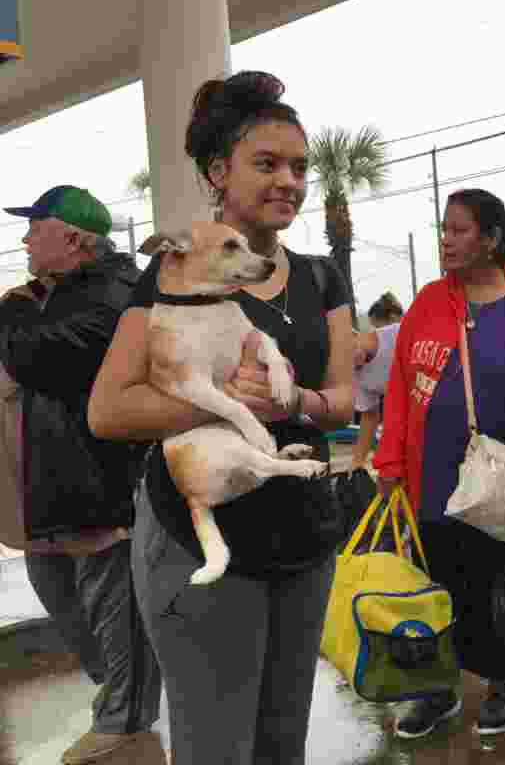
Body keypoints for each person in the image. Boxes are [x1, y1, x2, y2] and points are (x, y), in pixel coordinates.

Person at [87, 71, 354, 765]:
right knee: (217, 750)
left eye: (299, 167)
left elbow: (342, 401)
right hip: (195, 537)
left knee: (281, 746)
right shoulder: (173, 275)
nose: (289, 181)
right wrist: (225, 403)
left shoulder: (323, 278)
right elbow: (109, 408)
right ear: (218, 173)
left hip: (303, 539)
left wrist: (290, 402)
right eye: (266, 164)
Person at [373, 188, 505, 739]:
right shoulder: (427, 303)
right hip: (434, 472)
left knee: (493, 584)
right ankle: (437, 690)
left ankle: (497, 684)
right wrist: (390, 460)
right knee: (435, 583)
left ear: (491, 239)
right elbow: (399, 387)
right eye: (444, 228)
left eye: (460, 230)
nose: (446, 239)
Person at [1, 185, 161, 765]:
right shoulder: (65, 292)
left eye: (33, 225)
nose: (23, 237)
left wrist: (14, 310)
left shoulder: (118, 291)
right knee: (62, 593)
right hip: (57, 491)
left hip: (102, 487)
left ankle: (127, 717)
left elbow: (42, 357)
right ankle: (121, 693)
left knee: (113, 607)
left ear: (71, 237)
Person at [351, 321, 399, 470]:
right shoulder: (356, 375)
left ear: (352, 334)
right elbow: (370, 415)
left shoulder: (396, 333)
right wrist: (357, 462)